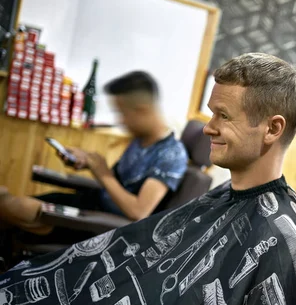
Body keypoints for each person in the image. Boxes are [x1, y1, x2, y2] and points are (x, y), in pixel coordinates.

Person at [0, 53, 296, 305]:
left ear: (272, 128)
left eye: (223, 116)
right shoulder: (221, 199)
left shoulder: (284, 239)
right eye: (210, 113)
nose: (208, 127)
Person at [0, 71, 188, 241]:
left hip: (99, 225)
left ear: (143, 110)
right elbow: (117, 183)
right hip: (90, 202)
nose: (120, 120)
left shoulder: (172, 154)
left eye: (123, 113)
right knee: (6, 207)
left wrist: (102, 173)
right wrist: (87, 162)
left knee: (11, 206)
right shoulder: (140, 140)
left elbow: (139, 211)